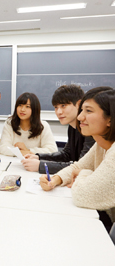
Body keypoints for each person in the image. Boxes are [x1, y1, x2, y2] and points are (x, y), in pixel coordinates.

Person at [40, 87, 115, 231]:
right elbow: (76, 166)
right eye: (82, 111)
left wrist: (84, 173)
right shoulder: (101, 145)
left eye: (89, 111)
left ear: (110, 119)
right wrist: (55, 179)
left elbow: (84, 195)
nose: (80, 117)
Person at [22, 85, 96, 174]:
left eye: (63, 106)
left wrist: (41, 165)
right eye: (56, 107)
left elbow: (82, 166)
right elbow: (66, 154)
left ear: (78, 104)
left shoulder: (89, 128)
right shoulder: (72, 127)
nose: (58, 112)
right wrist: (38, 157)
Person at [0, 92, 57, 156]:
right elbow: (3, 147)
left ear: (34, 109)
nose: (22, 109)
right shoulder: (9, 123)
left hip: (33, 163)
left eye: (27, 106)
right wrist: (20, 152)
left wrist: (28, 150)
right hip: (12, 163)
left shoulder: (43, 126)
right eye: (20, 105)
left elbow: (52, 150)